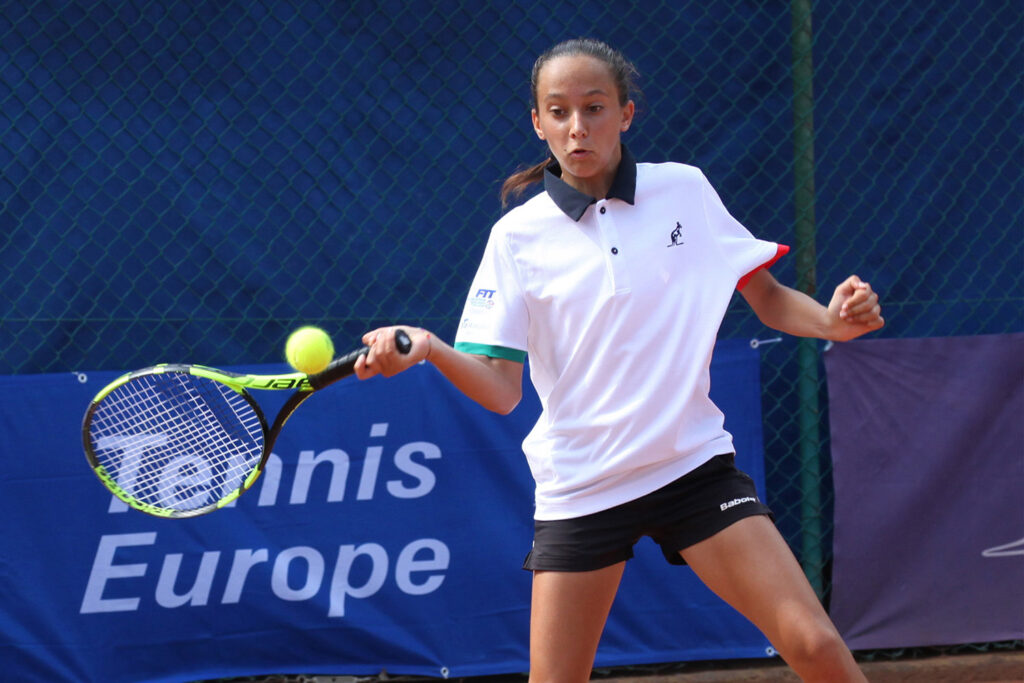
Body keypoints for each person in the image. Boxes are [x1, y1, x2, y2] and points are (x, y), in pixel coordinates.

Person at [354, 38, 882, 683]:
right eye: (559, 111)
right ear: (538, 122)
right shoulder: (516, 238)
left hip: (691, 466)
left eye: (595, 108)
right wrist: (432, 348)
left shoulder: (684, 190)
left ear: (626, 114)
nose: (578, 127)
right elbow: (501, 392)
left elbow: (766, 296)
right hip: (583, 488)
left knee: (816, 644)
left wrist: (831, 322)